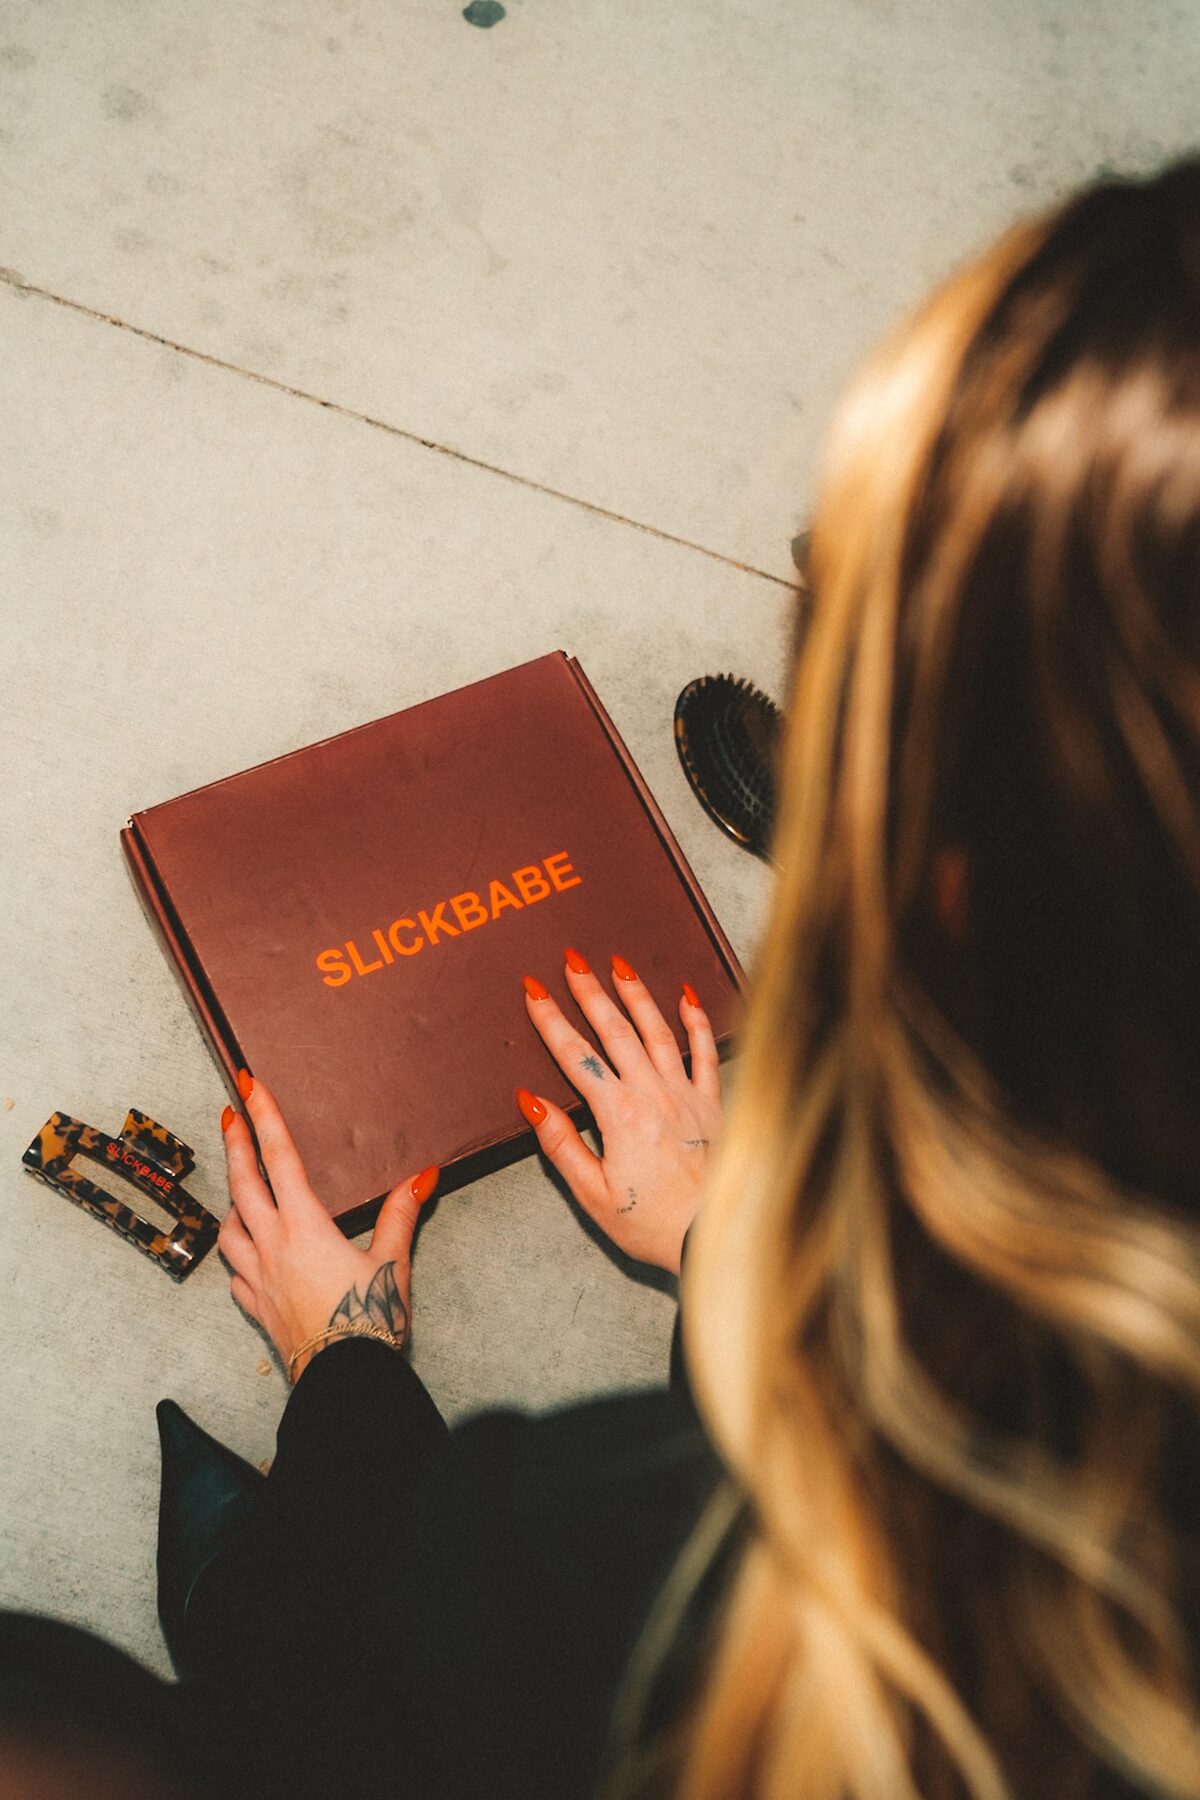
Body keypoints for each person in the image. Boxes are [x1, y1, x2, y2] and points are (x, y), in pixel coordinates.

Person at [168, 152, 1200, 1800]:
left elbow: (401, 1698)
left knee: (276, 1645)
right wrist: (719, 1241)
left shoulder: (620, 1569)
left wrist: (347, 1377)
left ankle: (227, 1592)